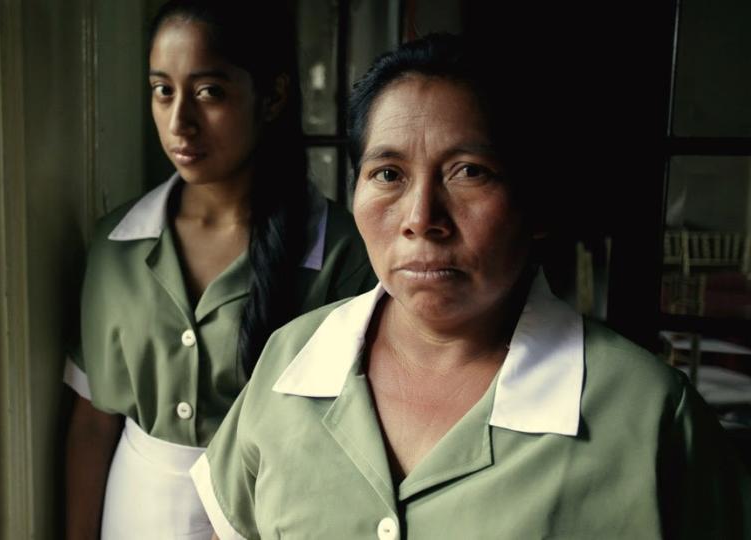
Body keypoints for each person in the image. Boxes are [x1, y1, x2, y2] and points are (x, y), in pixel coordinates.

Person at [191, 34, 750, 539]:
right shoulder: (293, 358)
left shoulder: (651, 417)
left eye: (469, 172)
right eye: (388, 173)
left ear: (536, 204)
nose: (421, 216)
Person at [63, 1, 375, 538]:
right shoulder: (116, 245)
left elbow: (354, 440)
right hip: (134, 508)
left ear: (272, 96)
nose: (180, 120)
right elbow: (93, 423)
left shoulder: (343, 253)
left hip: (276, 514)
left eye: (209, 92)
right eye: (163, 90)